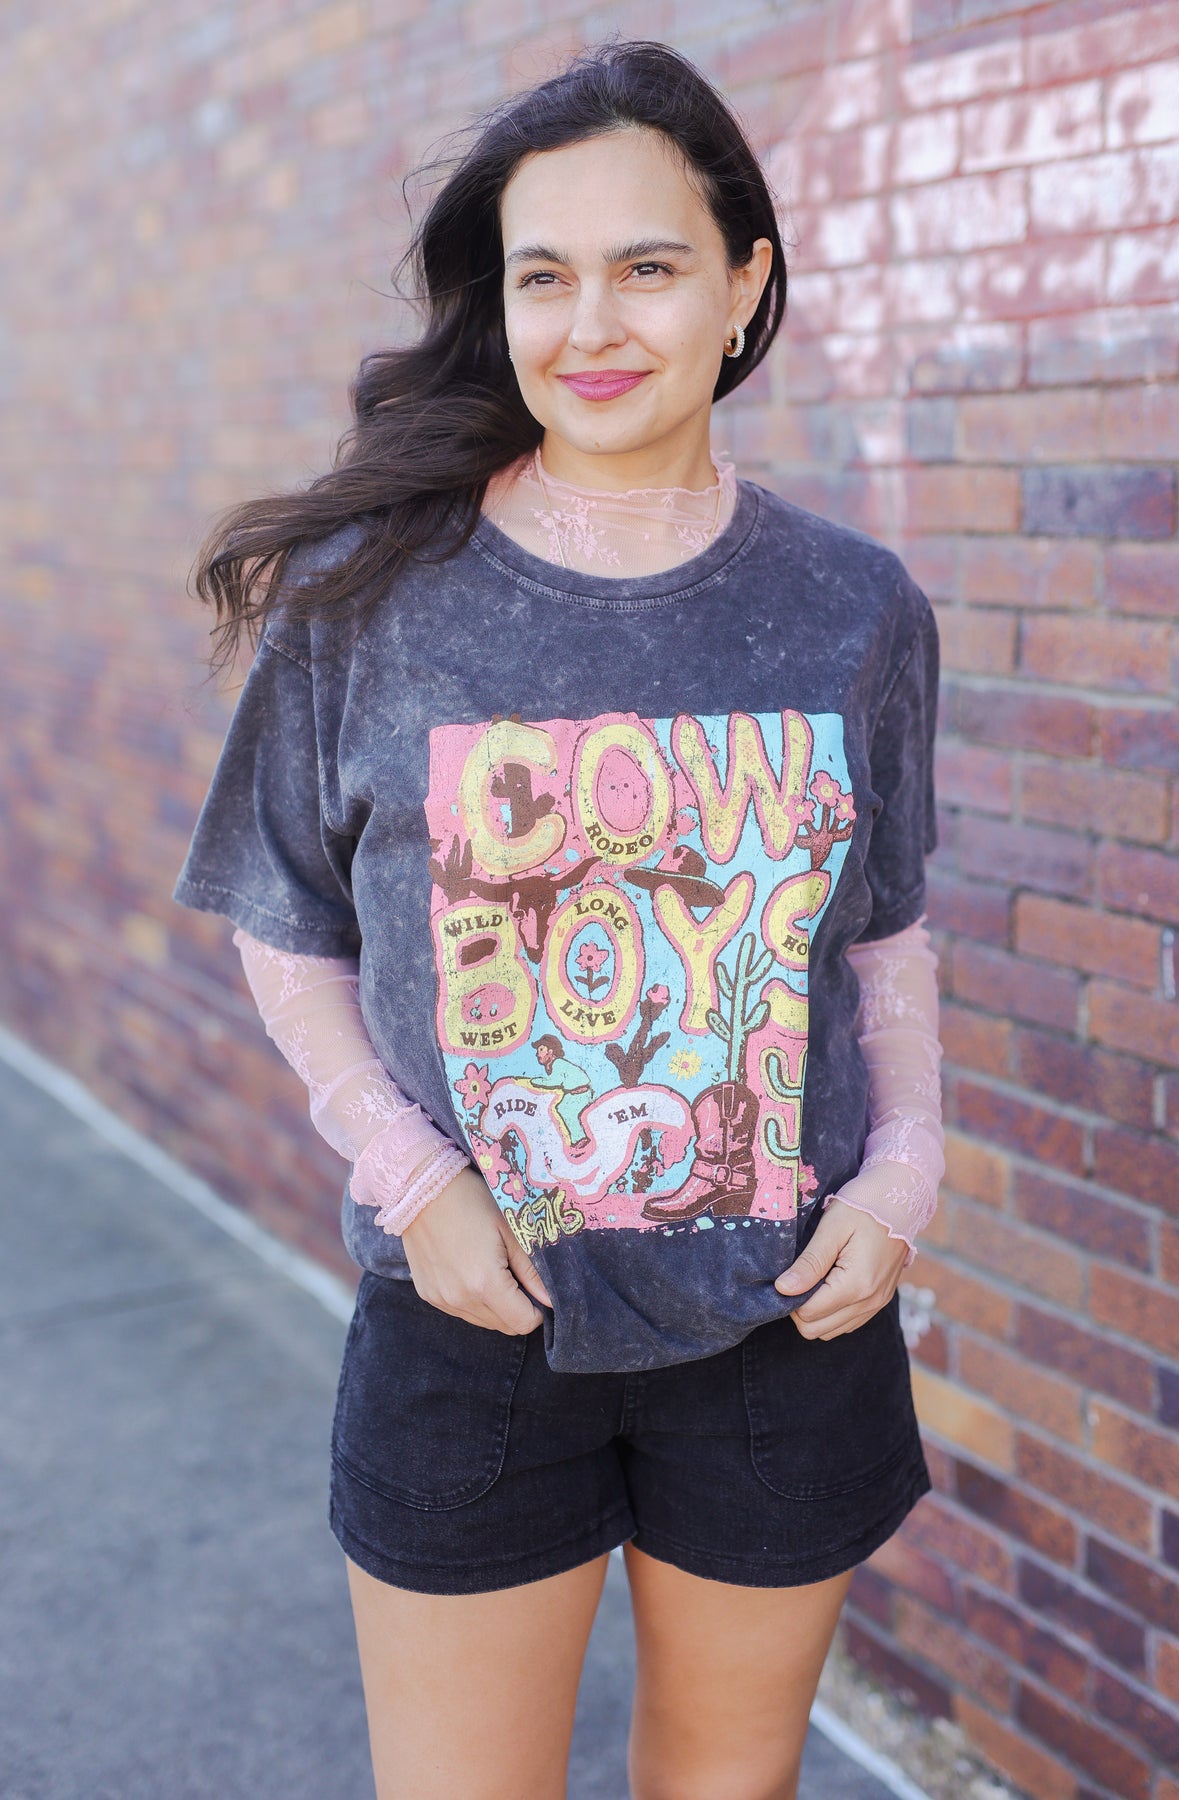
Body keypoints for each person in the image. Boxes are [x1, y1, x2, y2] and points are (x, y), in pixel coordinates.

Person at [172, 39, 944, 1800]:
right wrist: (411, 1173)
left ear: (745, 282)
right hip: (471, 1334)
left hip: (780, 1332)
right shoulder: (368, 599)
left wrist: (913, 1164)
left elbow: (884, 929)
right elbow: (285, 927)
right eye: (545, 275)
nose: (591, 323)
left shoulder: (854, 603)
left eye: (649, 265)